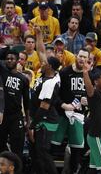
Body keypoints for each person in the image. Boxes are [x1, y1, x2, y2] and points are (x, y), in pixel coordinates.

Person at [0, 33, 30, 166]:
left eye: (12, 58)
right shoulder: (1, 71)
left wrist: (28, 120)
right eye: (7, 58)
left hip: (16, 116)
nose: (9, 60)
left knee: (18, 149)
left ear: (17, 61)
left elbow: (26, 101)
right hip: (2, 116)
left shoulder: (23, 79)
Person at [28, 25, 61, 174]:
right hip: (39, 118)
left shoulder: (50, 82)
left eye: (46, 62)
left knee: (43, 151)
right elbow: (41, 51)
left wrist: (32, 126)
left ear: (51, 67)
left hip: (45, 120)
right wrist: (39, 34)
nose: (43, 62)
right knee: (36, 152)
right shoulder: (45, 73)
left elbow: (44, 107)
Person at [51, 48, 90, 173]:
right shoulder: (64, 72)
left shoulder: (89, 74)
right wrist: (63, 105)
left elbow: (93, 94)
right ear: (76, 56)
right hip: (61, 114)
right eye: (80, 56)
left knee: (76, 149)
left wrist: (88, 100)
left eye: (85, 57)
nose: (82, 59)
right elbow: (54, 94)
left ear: (88, 60)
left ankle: (73, 171)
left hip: (78, 116)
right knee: (53, 146)